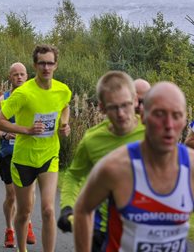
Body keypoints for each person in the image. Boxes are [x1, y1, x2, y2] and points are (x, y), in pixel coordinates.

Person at [73, 82, 192, 252]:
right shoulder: (115, 166)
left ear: (185, 120)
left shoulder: (191, 168)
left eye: (177, 115)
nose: (169, 125)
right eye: (159, 114)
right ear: (143, 115)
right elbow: (82, 210)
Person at [0, 44, 71, 252]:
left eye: (50, 63)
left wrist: (64, 124)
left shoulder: (62, 90)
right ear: (35, 65)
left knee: (48, 210)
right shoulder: (24, 93)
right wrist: (26, 130)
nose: (46, 67)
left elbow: (65, 106)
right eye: (42, 63)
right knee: (24, 212)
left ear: (56, 65)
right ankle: (21, 249)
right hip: (23, 159)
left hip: (49, 156)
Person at [57, 71, 145, 251]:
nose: (121, 114)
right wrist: (67, 208)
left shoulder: (152, 132)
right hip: (103, 232)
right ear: (101, 107)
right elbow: (74, 176)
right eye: (113, 107)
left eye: (126, 105)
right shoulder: (92, 140)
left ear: (135, 100)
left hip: (143, 231)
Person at [0, 62, 36, 248]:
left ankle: (27, 224)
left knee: (29, 194)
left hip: (30, 153)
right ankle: (9, 229)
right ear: (10, 77)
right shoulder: (3, 100)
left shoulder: (34, 98)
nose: (20, 77)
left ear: (28, 76)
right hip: (9, 153)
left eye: (22, 74)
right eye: (16, 74)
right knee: (12, 195)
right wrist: (5, 134)